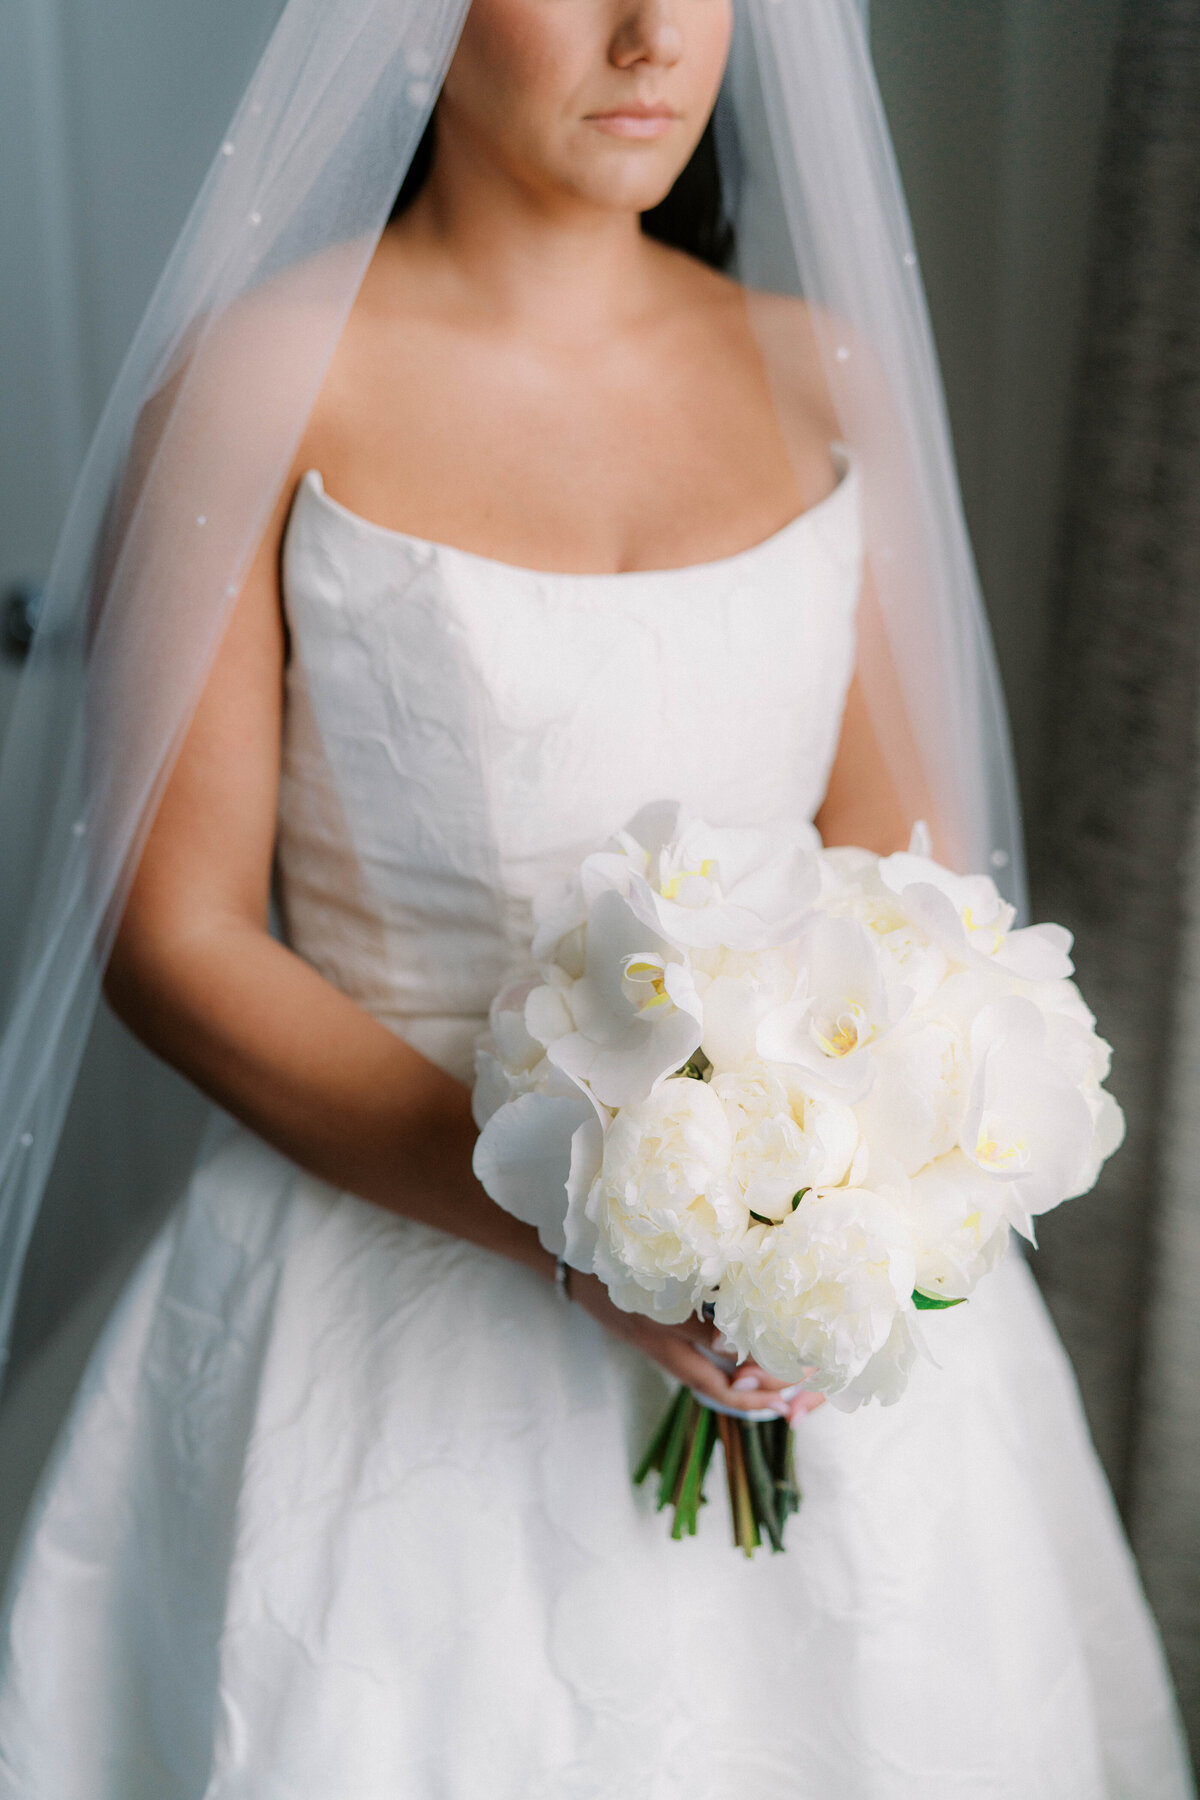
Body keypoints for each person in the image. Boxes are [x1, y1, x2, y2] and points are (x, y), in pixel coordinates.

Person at [0, 0, 1192, 1793]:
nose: (652, 38)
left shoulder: (821, 368)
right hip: (379, 1275)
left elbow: (911, 885)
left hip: (804, 1299)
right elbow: (173, 939)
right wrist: (576, 1230)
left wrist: (824, 1189)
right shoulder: (262, 379)